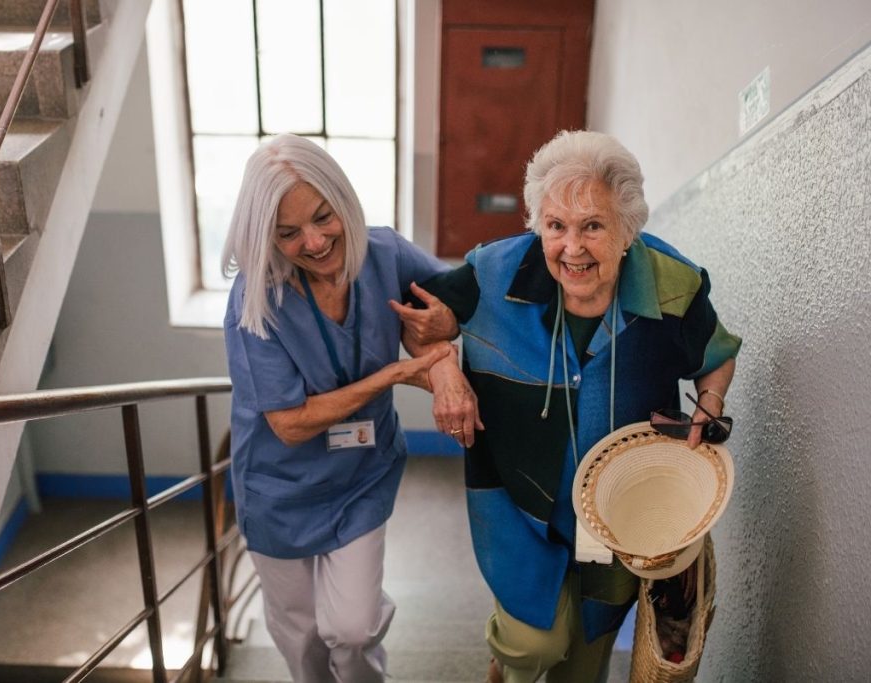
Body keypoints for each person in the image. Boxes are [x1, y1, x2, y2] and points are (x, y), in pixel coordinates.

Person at [395, 130, 741, 682]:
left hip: (622, 508)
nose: (571, 248)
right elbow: (415, 323)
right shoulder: (494, 272)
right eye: (555, 226)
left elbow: (716, 355)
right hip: (516, 495)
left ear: (628, 230)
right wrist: (443, 370)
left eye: (593, 227)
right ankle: (504, 666)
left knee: (583, 662)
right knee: (532, 644)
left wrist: (710, 401)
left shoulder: (672, 286)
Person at [221, 133, 478, 683]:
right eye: (288, 233)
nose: (314, 243)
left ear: (343, 200)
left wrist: (446, 340)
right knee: (303, 636)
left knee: (354, 627)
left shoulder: (384, 253)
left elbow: (448, 310)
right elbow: (289, 425)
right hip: (279, 489)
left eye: (323, 217)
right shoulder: (255, 299)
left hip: (361, 476)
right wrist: (396, 374)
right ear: (265, 235)